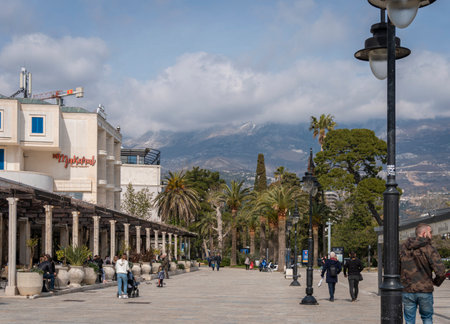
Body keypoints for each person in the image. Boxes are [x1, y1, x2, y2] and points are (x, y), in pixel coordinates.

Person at [400, 223, 446, 324]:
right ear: (424, 233)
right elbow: (441, 272)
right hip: (425, 290)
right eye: (430, 232)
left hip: (407, 289)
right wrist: (435, 282)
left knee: (409, 320)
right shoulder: (429, 249)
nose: (431, 235)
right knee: (427, 318)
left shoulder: (403, 248)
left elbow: (395, 267)